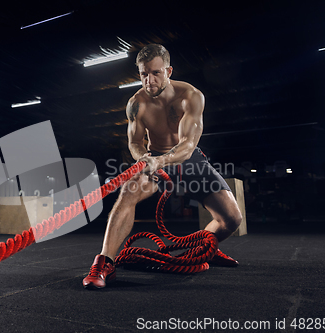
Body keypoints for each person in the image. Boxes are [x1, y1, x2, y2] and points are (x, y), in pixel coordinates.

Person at [83, 44, 243, 289]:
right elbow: (135, 142)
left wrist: (160, 160)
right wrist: (144, 159)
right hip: (155, 159)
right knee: (128, 192)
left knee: (232, 219)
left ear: (169, 70)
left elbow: (188, 144)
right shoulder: (136, 103)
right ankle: (104, 263)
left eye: (156, 73)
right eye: (144, 74)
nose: (149, 80)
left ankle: (206, 249)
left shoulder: (191, 96)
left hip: (188, 159)